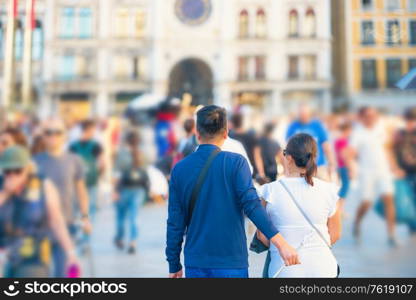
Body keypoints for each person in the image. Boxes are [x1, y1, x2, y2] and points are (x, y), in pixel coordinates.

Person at [166, 105, 300, 279]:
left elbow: (175, 222)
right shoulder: (236, 163)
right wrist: (281, 243)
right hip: (231, 261)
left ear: (197, 134)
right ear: (225, 133)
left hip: (196, 261)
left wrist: (173, 263)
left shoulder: (180, 169)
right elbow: (252, 206)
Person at [256, 134, 341, 278]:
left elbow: (262, 235)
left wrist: (282, 247)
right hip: (324, 268)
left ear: (289, 158)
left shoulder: (269, 191)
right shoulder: (329, 190)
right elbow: (335, 233)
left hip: (285, 269)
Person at [0, 146, 78, 277]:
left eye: (18, 171)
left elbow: (57, 221)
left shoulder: (44, 186)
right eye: (8, 171)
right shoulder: (2, 186)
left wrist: (70, 253)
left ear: (27, 169)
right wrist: (6, 193)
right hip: (5, 255)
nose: (12, 175)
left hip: (33, 258)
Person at [33, 119, 91, 277]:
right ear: (43, 137)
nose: (53, 137)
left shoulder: (74, 160)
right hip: (40, 227)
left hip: (67, 224)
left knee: (62, 272)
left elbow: (81, 192)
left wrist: (85, 217)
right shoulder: (34, 162)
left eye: (57, 132)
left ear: (64, 136)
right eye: (48, 133)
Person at [345, 107, 397, 246]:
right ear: (362, 117)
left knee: (389, 198)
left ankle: (391, 234)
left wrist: (394, 166)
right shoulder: (358, 132)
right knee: (366, 202)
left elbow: (387, 148)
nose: (372, 118)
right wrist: (351, 167)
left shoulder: (380, 128)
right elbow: (350, 152)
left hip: (383, 170)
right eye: (368, 116)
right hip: (366, 172)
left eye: (374, 115)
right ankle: (357, 222)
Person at [113, 131, 149, 254]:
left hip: (124, 189)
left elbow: (116, 175)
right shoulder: (142, 155)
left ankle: (120, 238)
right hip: (139, 189)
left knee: (121, 217)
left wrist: (115, 191)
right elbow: (146, 173)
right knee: (134, 216)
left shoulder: (122, 155)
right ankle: (133, 242)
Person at [286, 103, 336, 181]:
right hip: (299, 169)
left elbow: (326, 145)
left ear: (309, 114)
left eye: (305, 114)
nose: (303, 116)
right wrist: (287, 169)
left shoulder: (317, 125)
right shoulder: (293, 126)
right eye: (301, 114)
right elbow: (288, 147)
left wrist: (331, 163)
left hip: (318, 167)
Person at [70, 120, 104, 221]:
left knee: (76, 206)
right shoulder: (96, 145)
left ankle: (77, 229)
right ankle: (86, 231)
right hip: (92, 179)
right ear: (89, 129)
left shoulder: (73, 145)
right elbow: (102, 163)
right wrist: (100, 175)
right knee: (91, 206)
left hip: (76, 180)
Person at [392, 107, 416, 234]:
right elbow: (393, 150)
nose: (411, 123)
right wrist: (396, 168)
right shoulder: (400, 133)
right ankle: (413, 224)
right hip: (405, 171)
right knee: (409, 196)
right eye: (409, 120)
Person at [229, 113, 266, 181]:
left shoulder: (229, 137)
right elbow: (257, 157)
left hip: (233, 172)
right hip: (249, 172)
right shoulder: (252, 137)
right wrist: (261, 174)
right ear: (242, 122)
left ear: (232, 123)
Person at [334, 120, 353, 209]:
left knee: (342, 188)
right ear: (347, 130)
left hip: (339, 166)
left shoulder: (338, 140)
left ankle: (340, 209)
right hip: (343, 167)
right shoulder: (343, 141)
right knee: (345, 189)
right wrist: (350, 169)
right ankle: (339, 210)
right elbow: (344, 156)